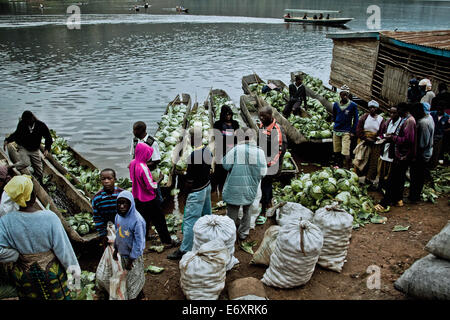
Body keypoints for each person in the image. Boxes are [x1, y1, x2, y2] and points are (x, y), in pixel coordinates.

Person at [0, 175, 81, 300]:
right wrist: (75, 276)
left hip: (23, 276)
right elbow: (64, 251)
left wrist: (16, 255)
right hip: (51, 273)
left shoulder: (5, 222)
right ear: (33, 196)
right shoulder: (49, 217)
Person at [168, 127, 213, 260]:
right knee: (206, 216)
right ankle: (208, 240)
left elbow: (189, 182)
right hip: (206, 187)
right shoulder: (207, 151)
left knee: (189, 221)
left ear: (193, 139)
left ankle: (185, 249)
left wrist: (185, 196)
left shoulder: (193, 156)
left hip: (197, 191)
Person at [129, 142, 179, 248]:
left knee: (144, 218)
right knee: (159, 220)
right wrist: (160, 179)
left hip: (137, 197)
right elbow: (151, 186)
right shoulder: (143, 167)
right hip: (149, 199)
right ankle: (167, 241)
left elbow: (132, 178)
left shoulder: (133, 163)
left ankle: (144, 236)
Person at [222, 127, 267, 240]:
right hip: (251, 188)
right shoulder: (260, 152)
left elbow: (225, 165)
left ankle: (229, 235)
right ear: (252, 138)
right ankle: (243, 233)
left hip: (234, 188)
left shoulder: (237, 149)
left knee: (232, 213)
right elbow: (263, 172)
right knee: (247, 211)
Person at [375, 103, 416, 211]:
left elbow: (408, 140)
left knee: (392, 179)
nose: (397, 113)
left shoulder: (409, 121)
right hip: (400, 154)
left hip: (403, 155)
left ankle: (384, 203)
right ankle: (398, 200)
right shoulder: (405, 119)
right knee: (399, 179)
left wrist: (393, 138)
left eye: (398, 111)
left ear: (403, 110)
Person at [113, 190, 146, 300]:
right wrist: (115, 249)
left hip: (134, 257)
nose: (121, 206)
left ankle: (136, 296)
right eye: (119, 203)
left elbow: (139, 243)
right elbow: (118, 233)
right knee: (130, 278)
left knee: (134, 277)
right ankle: (139, 294)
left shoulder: (137, 220)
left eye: (125, 203)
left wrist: (131, 259)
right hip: (123, 254)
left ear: (131, 204)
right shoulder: (118, 216)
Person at [3, 110, 52, 184]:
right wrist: (7, 141)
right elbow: (16, 134)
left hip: (35, 150)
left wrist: (47, 149)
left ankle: (40, 183)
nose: (26, 122)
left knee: (39, 171)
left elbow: (48, 137)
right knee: (25, 163)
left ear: (32, 119)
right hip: (23, 148)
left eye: (27, 120)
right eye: (24, 121)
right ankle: (9, 167)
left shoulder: (40, 125)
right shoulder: (22, 124)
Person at [258, 107, 287, 223]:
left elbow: (280, 151)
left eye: (264, 116)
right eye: (260, 116)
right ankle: (269, 201)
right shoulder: (262, 125)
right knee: (266, 184)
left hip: (272, 164)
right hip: (263, 160)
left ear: (271, 115)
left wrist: (269, 164)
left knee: (265, 184)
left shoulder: (277, 129)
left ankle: (264, 210)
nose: (261, 118)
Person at [406, 103, 434, 204]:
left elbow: (422, 143)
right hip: (425, 153)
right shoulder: (429, 117)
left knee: (416, 176)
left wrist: (414, 155)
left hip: (421, 154)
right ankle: (414, 196)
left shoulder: (423, 123)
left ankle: (414, 197)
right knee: (418, 176)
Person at [131, 121, 163, 204]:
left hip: (150, 173)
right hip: (138, 173)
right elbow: (133, 156)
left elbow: (156, 160)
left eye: (135, 130)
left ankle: (158, 205)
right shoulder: (135, 141)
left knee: (155, 193)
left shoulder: (152, 143)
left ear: (142, 130)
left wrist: (141, 165)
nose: (133, 132)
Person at [355, 100, 385, 187]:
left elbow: (382, 132)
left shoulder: (381, 119)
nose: (372, 109)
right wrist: (365, 138)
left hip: (375, 143)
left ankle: (369, 179)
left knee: (373, 161)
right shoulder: (364, 117)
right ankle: (359, 178)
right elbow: (358, 129)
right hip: (364, 141)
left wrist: (375, 139)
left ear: (377, 108)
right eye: (371, 107)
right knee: (361, 159)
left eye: (374, 107)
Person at [92, 168, 124, 246]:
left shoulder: (122, 194)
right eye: (103, 179)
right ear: (100, 180)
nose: (106, 181)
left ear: (115, 179)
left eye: (109, 178)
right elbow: (97, 217)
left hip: (122, 226)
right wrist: (103, 234)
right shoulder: (97, 198)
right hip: (107, 228)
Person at [213, 105, 240, 195]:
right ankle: (218, 190)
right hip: (221, 150)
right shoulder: (218, 124)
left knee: (230, 170)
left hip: (232, 150)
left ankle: (227, 190)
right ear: (222, 115)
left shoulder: (235, 123)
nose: (228, 116)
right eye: (226, 115)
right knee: (220, 171)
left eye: (230, 114)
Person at [332, 85, 359, 169]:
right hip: (336, 130)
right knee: (337, 150)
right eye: (342, 94)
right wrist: (335, 123)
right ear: (340, 94)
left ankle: (347, 168)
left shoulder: (353, 105)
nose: (344, 96)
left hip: (346, 131)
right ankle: (338, 166)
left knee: (346, 152)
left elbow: (356, 119)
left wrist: (352, 131)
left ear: (348, 95)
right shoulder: (336, 104)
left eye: (345, 95)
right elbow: (334, 115)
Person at [377, 106, 402, 193]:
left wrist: (391, 137)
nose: (392, 115)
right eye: (390, 113)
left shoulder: (400, 124)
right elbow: (382, 133)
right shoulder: (388, 122)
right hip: (385, 148)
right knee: (382, 170)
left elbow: (398, 138)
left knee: (390, 171)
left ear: (398, 113)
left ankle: (388, 189)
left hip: (393, 150)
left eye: (394, 113)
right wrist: (382, 137)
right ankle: (380, 187)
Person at [429, 103, 450, 167]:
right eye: (438, 110)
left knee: (437, 151)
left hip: (440, 136)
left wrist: (444, 131)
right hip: (431, 134)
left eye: (441, 110)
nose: (439, 111)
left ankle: (434, 163)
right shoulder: (432, 114)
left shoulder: (447, 117)